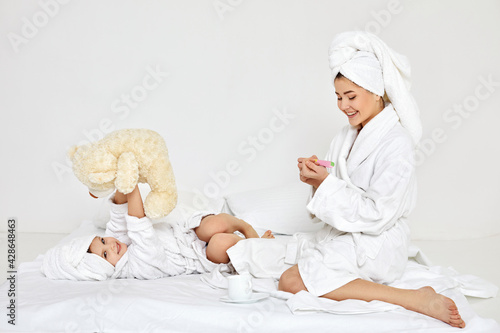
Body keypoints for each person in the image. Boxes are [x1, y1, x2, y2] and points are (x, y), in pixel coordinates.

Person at [276, 31, 465, 328]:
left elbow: (378, 212)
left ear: (377, 91)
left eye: (351, 96)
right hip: (351, 233)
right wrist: (317, 179)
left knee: (291, 280)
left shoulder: (396, 142)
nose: (343, 106)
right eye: (338, 97)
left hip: (379, 239)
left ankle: (413, 298)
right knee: (285, 271)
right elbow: (336, 177)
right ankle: (408, 296)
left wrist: (326, 184)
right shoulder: (346, 136)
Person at [41, 185, 273, 281]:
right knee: (219, 242)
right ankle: (254, 246)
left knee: (211, 227)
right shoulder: (138, 267)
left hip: (187, 234)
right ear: (105, 268)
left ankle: (245, 226)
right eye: (105, 255)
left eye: (102, 240)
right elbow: (139, 227)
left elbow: (119, 215)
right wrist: (132, 188)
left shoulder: (117, 244)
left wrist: (121, 182)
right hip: (200, 256)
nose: (110, 245)